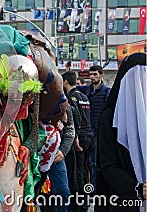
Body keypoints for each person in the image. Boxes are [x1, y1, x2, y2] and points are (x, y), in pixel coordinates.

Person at [96, 53, 146, 211]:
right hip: (124, 200)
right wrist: (137, 189)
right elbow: (109, 165)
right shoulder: (110, 117)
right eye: (135, 79)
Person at [62, 71, 94, 211]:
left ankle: (80, 203)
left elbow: (76, 119)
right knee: (86, 172)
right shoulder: (84, 96)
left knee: (78, 172)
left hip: (80, 137)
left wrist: (76, 138)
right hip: (89, 136)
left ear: (65, 82)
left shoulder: (72, 97)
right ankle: (86, 199)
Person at [77, 65, 110, 187]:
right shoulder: (86, 90)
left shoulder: (107, 92)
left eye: (95, 74)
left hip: (100, 133)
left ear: (101, 75)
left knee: (95, 163)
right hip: (86, 132)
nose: (92, 77)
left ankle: (95, 188)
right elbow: (70, 87)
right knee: (86, 163)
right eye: (90, 74)